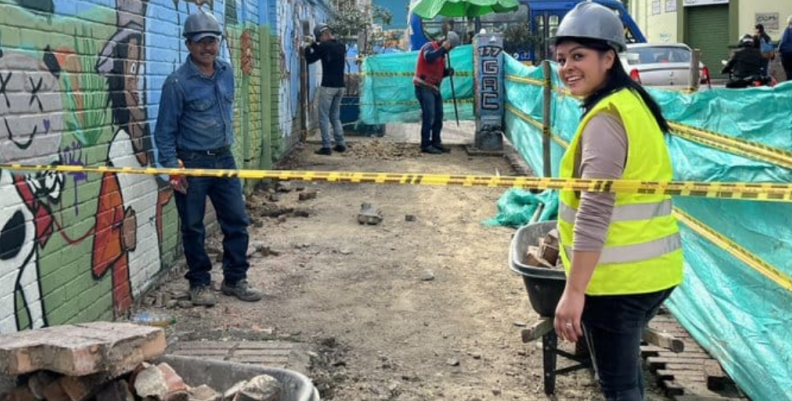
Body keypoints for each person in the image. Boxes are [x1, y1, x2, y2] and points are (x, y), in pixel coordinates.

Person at [547, 3, 684, 400]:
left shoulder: (607, 118)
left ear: (609, 58)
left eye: (578, 56)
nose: (567, 67)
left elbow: (594, 209)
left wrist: (574, 292)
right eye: (561, 59)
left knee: (620, 387)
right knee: (626, 380)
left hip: (615, 282)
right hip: (653, 273)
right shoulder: (631, 102)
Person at [154, 9, 262, 306]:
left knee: (236, 221)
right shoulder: (177, 84)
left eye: (212, 41)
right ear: (188, 44)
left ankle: (235, 279)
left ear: (219, 43)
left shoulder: (226, 72)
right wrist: (173, 169)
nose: (207, 48)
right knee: (192, 225)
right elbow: (164, 132)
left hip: (224, 160)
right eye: (200, 42)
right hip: (191, 162)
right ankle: (199, 283)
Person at [413, 32, 459, 154]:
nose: (449, 51)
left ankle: (436, 142)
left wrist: (446, 72)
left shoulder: (442, 55)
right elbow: (429, 57)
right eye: (450, 47)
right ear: (446, 43)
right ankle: (425, 144)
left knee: (438, 115)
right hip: (423, 86)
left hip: (434, 88)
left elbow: (437, 72)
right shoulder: (429, 46)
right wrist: (443, 49)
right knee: (429, 116)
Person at [305, 24, 347, 156]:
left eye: (319, 38)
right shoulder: (341, 46)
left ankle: (326, 146)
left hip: (328, 87)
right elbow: (325, 52)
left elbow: (310, 59)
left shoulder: (323, 46)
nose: (319, 41)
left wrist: (307, 47)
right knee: (335, 116)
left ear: (323, 35)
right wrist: (314, 45)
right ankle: (340, 144)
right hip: (340, 87)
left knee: (323, 117)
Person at [778, 16, 792, 81]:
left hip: (787, 54)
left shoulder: (787, 30)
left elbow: (783, 41)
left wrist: (779, 50)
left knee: (789, 73)